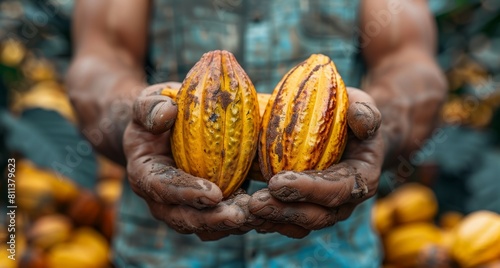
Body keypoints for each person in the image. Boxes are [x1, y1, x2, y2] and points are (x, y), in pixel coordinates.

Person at [67, 0, 447, 266]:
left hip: (332, 255)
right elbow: (100, 63)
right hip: (161, 254)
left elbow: (410, 66)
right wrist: (135, 123)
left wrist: (377, 133)